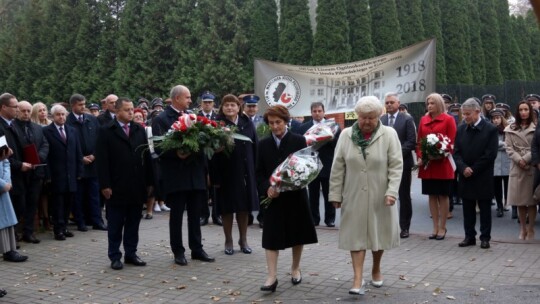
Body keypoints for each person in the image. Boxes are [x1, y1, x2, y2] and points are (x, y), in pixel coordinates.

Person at [329, 96, 402, 295]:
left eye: (371, 118)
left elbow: (396, 166)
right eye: (363, 118)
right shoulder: (345, 135)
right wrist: (335, 194)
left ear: (379, 116)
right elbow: (337, 167)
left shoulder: (389, 134)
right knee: (356, 235)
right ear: (357, 116)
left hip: (381, 194)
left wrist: (392, 191)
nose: (367, 122)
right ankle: (357, 278)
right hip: (353, 194)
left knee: (379, 233)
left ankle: (376, 268)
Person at [152, 85, 215, 266]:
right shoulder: (162, 119)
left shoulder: (193, 117)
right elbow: (159, 147)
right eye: (187, 97)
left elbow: (202, 141)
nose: (189, 100)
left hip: (195, 174)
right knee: (177, 215)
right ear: (177, 98)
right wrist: (177, 153)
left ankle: (197, 249)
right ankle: (178, 251)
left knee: (196, 214)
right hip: (176, 175)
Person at [256, 105, 317, 292]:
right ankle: (271, 277)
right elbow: (258, 173)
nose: (275, 126)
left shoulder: (299, 141)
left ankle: (295, 268)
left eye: (278, 122)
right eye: (271, 123)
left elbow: (308, 167)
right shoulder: (263, 144)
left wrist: (294, 182)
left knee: (297, 234)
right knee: (271, 236)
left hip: (295, 196)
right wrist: (267, 188)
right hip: (273, 199)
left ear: (286, 121)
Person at [96, 97, 152, 270]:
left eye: (132, 109)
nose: (131, 112)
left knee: (133, 222)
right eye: (127, 109)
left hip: (136, 185)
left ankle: (131, 253)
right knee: (115, 223)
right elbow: (102, 161)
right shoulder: (106, 131)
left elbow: (147, 157)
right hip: (116, 186)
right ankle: (114, 256)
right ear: (118, 111)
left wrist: (150, 182)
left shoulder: (139, 130)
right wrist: (105, 185)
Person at [210, 94, 258, 255]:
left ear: (239, 107)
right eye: (226, 105)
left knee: (244, 208)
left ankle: (243, 239)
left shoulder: (247, 122)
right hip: (225, 173)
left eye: (233, 105)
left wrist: (255, 171)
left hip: (245, 173)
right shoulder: (217, 125)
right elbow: (210, 153)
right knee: (227, 208)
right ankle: (228, 240)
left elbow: (255, 146)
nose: (230, 108)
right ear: (222, 108)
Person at [453, 99, 498, 249]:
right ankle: (469, 236)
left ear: (478, 112)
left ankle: (485, 237)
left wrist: (473, 169)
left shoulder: (490, 129)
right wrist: (463, 168)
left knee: (485, 208)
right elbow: (456, 153)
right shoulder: (460, 129)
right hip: (465, 175)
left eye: (468, 114)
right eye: (463, 114)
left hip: (482, 175)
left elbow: (490, 154)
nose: (465, 117)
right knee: (467, 207)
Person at [417, 93, 457, 240]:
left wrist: (440, 153)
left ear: (439, 104)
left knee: (443, 194)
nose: (429, 106)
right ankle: (434, 226)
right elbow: (419, 141)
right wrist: (422, 156)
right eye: (428, 103)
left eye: (432, 103)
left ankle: (442, 226)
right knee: (431, 195)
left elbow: (451, 141)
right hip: (428, 165)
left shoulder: (449, 120)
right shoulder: (423, 120)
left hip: (442, 164)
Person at [66, 94, 107, 232]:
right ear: (72, 106)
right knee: (78, 196)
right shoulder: (67, 121)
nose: (83, 107)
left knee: (94, 194)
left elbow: (99, 139)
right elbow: (68, 144)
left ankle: (97, 221)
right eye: (80, 104)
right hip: (78, 165)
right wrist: (81, 158)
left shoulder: (92, 119)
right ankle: (80, 222)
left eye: (84, 104)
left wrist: (95, 155)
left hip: (93, 164)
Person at [43, 105, 83, 241]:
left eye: (63, 114)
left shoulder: (72, 130)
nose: (61, 117)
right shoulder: (47, 131)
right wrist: (47, 175)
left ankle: (65, 227)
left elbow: (78, 152)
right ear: (52, 116)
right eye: (58, 115)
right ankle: (58, 230)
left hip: (71, 173)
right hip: (56, 174)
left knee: (68, 202)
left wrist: (79, 170)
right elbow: (46, 155)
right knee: (57, 204)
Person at [298, 102, 341, 227]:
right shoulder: (303, 128)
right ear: (311, 112)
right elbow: (300, 145)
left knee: (329, 193)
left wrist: (331, 139)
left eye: (319, 111)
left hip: (327, 164)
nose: (317, 113)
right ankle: (314, 219)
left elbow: (340, 144)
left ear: (324, 111)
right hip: (311, 165)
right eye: (314, 111)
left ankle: (330, 219)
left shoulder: (333, 126)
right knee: (313, 194)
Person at [380, 93, 416, 238]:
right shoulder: (381, 120)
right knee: (384, 195)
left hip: (403, 164)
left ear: (398, 103)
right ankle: (386, 226)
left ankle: (405, 227)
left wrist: (394, 154)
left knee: (403, 196)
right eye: (387, 102)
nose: (389, 105)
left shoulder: (407, 119)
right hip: (383, 164)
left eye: (392, 102)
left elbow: (411, 141)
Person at [14, 101, 49, 244]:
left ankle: (29, 232)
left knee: (32, 203)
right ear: (17, 111)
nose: (26, 114)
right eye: (23, 111)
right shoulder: (13, 128)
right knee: (19, 204)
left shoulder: (37, 128)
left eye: (28, 111)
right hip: (20, 172)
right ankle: (16, 233)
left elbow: (45, 144)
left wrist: (39, 157)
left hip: (36, 171)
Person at [506, 101, 537, 240]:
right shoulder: (510, 128)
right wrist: (520, 160)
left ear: (530, 111)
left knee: (531, 201)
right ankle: (522, 229)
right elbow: (508, 148)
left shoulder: (536, 127)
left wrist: (526, 158)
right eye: (521, 110)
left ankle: (531, 229)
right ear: (517, 112)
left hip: (531, 166)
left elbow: (537, 147)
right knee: (519, 201)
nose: (523, 112)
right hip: (517, 167)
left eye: (526, 109)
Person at [198, 92, 221, 227]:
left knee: (216, 187)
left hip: (215, 157)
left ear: (213, 103)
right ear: (201, 103)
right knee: (202, 187)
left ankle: (216, 215)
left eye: (209, 102)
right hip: (200, 156)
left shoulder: (217, 117)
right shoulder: (196, 117)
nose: (207, 104)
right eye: (205, 102)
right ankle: (203, 215)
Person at [490, 109, 511, 217]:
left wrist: (498, 145)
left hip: (507, 160)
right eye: (493, 118)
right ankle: (499, 206)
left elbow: (509, 144)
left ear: (501, 118)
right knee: (497, 185)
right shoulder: (490, 130)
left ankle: (507, 202)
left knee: (507, 183)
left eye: (498, 118)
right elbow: (490, 145)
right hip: (495, 161)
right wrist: (501, 145)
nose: (496, 120)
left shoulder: (508, 129)